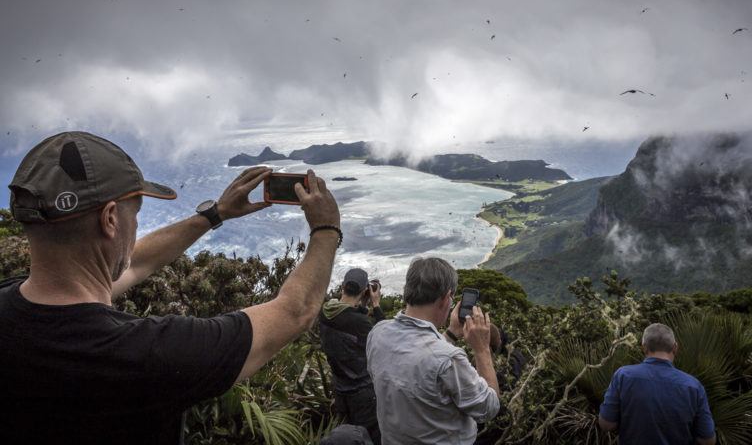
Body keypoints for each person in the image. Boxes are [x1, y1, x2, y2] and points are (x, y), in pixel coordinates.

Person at [0, 131, 341, 444]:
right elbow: (295, 312)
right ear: (110, 219)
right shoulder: (148, 354)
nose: (136, 227)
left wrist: (215, 214)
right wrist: (326, 228)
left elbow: (133, 263)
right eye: (136, 214)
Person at [366, 257, 500, 445]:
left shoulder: (377, 333)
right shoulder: (449, 359)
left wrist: (452, 333)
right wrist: (482, 349)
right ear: (446, 298)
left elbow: (417, 356)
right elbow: (489, 407)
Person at [599, 323, 716, 445]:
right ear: (675, 348)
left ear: (644, 348)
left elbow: (606, 424)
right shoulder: (694, 386)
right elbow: (707, 441)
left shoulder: (623, 376)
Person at [319, 268, 385, 444]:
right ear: (365, 291)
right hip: (363, 395)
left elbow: (348, 319)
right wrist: (376, 305)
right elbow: (386, 339)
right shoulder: (361, 323)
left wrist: (363, 305)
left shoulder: (324, 313)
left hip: (341, 392)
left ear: (342, 286)